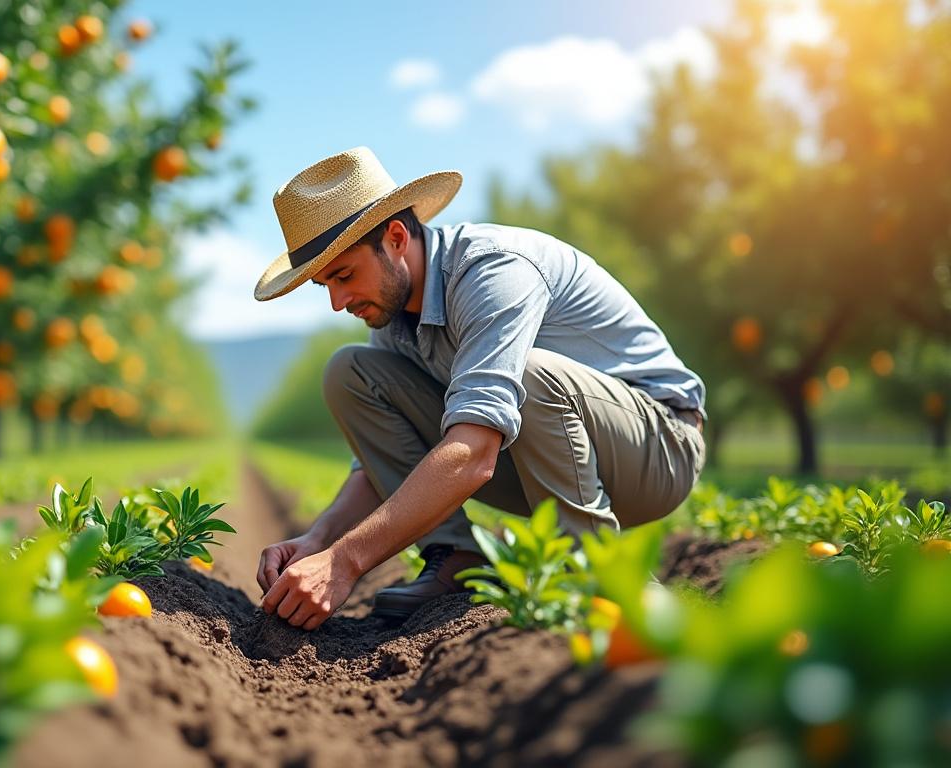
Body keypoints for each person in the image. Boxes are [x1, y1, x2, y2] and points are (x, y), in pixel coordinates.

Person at [253, 147, 707, 631]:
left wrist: (345, 563)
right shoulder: (392, 313)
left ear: (397, 237)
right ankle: (457, 559)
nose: (339, 301)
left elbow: (474, 453)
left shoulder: (491, 272)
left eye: (344, 276)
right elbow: (377, 467)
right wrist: (319, 540)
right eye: (326, 285)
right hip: (544, 460)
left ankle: (605, 575)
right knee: (349, 371)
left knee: (528, 375)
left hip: (657, 446)